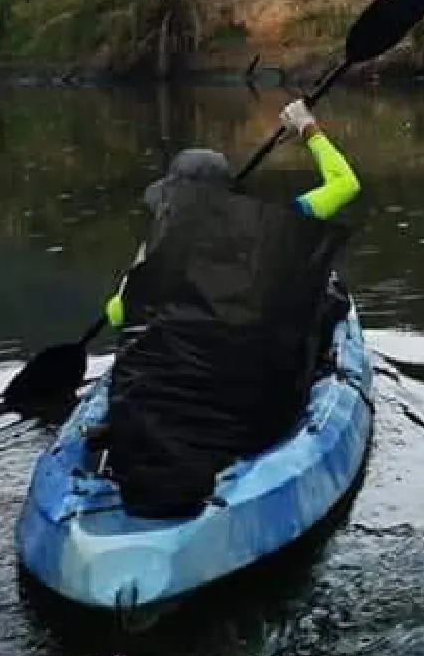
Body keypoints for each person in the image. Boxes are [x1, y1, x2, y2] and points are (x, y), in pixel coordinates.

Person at [96, 98, 365, 517]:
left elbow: (118, 314)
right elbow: (345, 184)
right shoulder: (275, 227)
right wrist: (307, 127)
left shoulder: (156, 251)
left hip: (162, 406)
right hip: (248, 406)